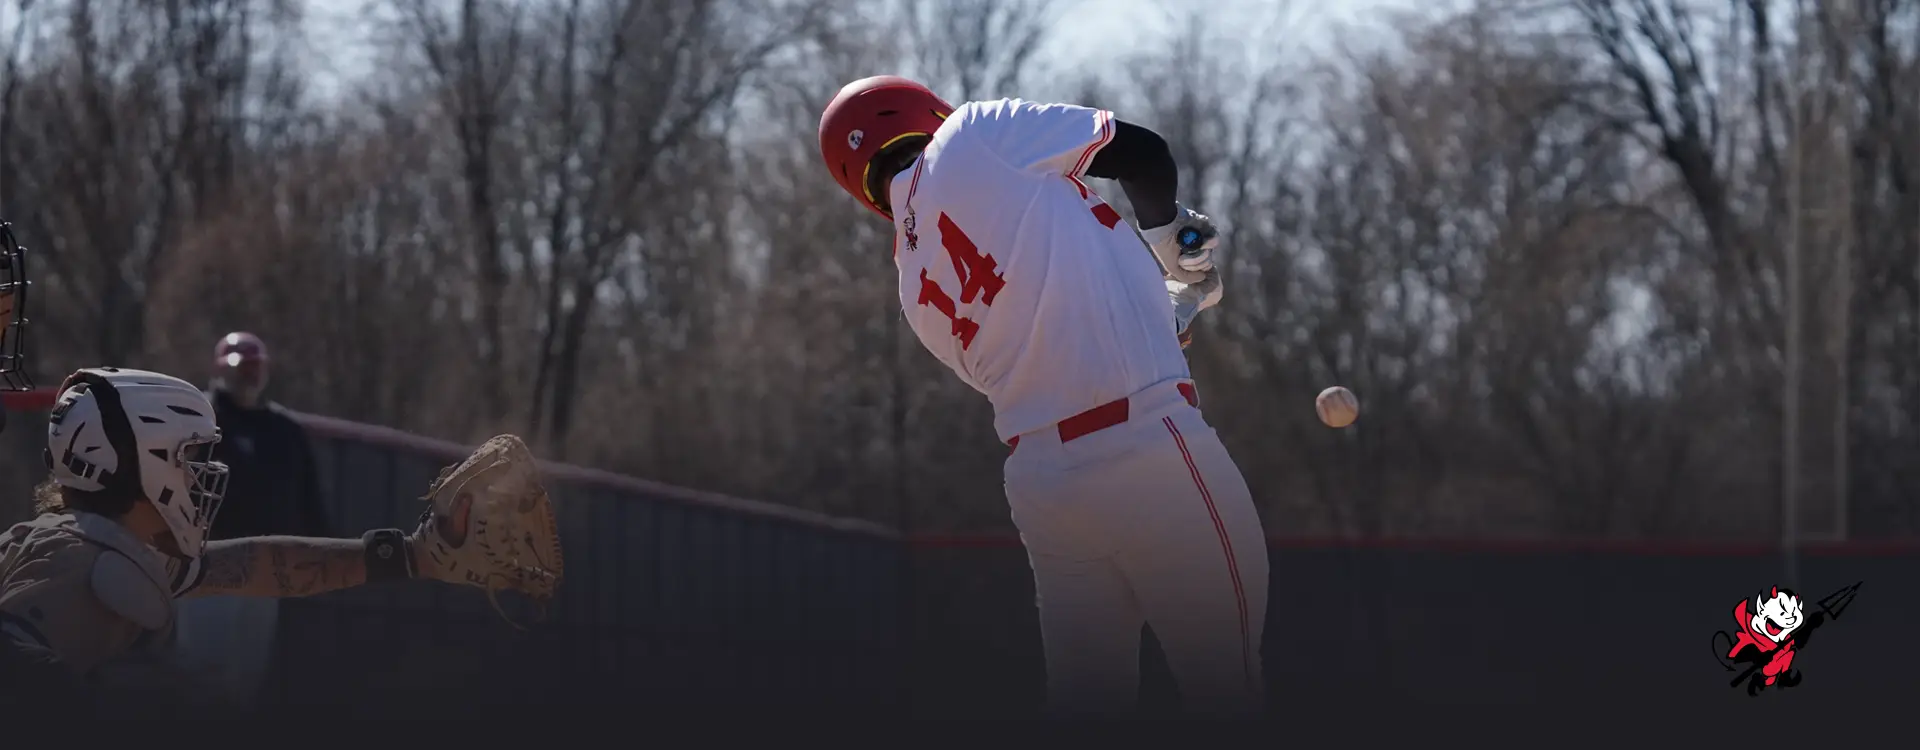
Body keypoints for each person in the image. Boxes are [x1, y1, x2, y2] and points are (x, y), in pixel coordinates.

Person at [817, 76, 1270, 716]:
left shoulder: (913, 292)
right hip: (1150, 453)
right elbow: (1141, 153)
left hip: (1048, 491)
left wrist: (1163, 310)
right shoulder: (974, 134)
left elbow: (1050, 356)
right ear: (923, 111)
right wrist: (1171, 234)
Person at [0, 367, 467, 716]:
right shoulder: (92, 570)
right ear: (139, 464)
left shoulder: (109, 543)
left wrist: (410, 554)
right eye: (185, 458)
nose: (195, 474)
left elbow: (259, 564)